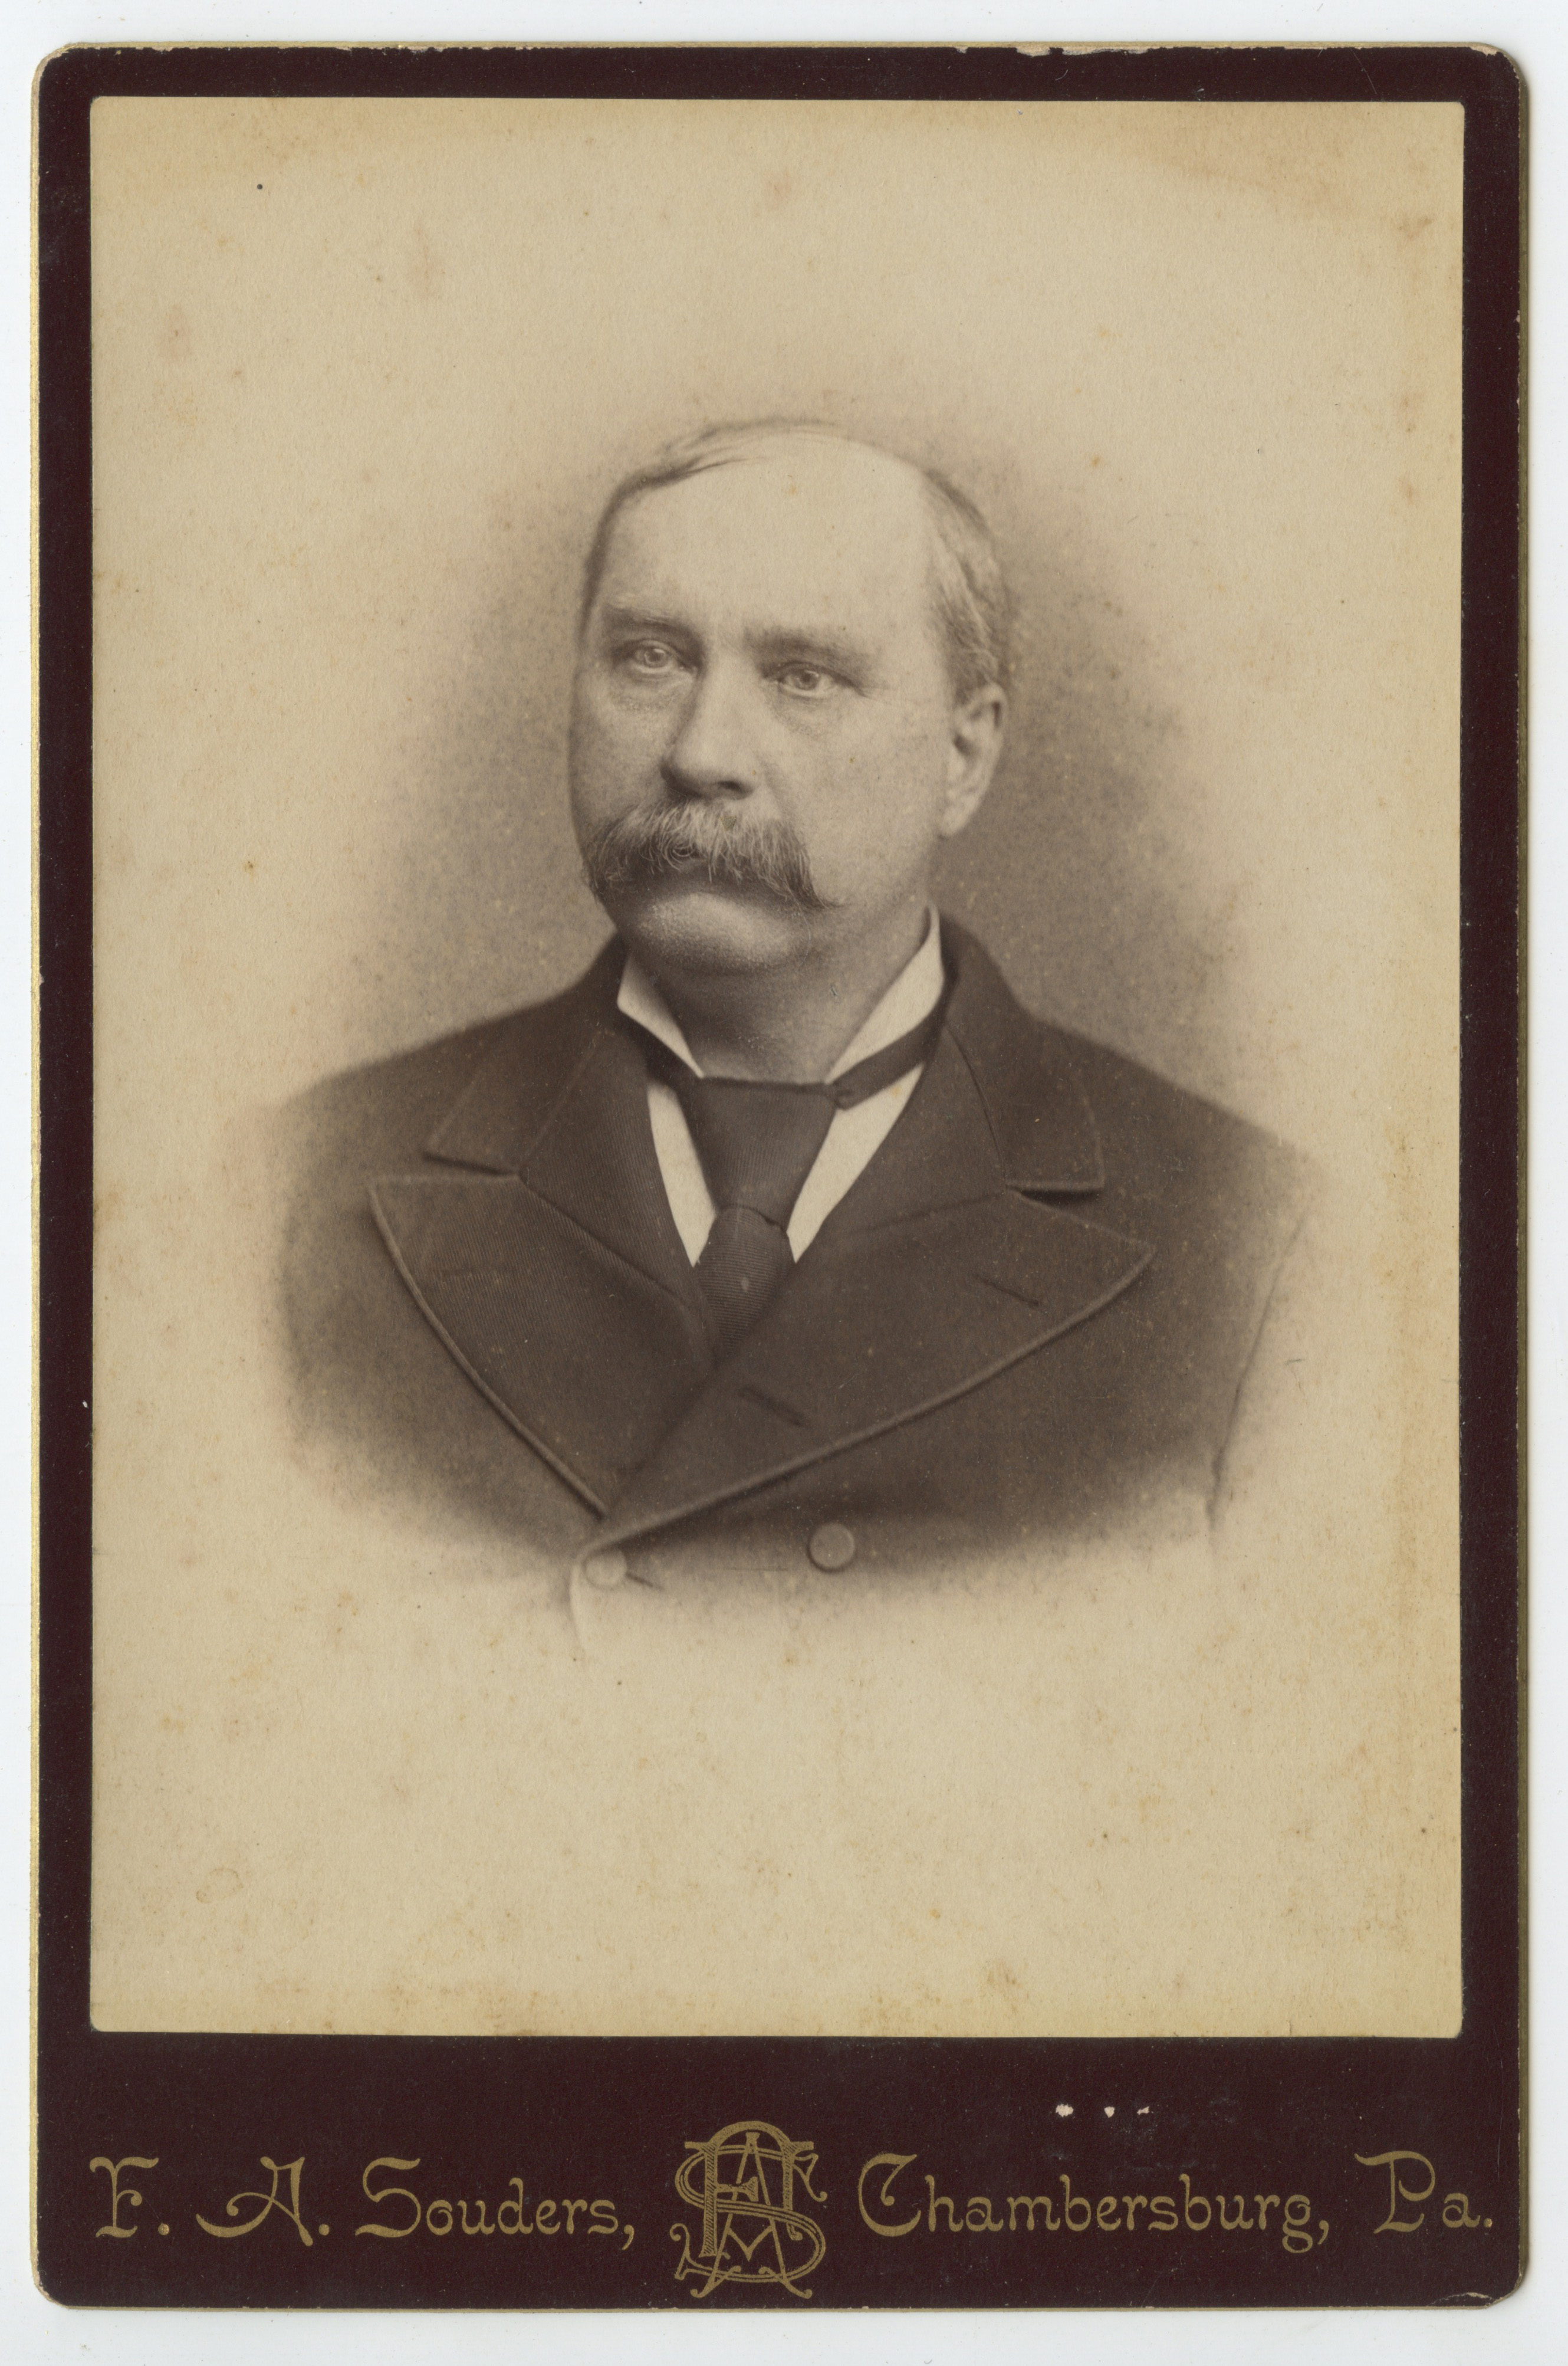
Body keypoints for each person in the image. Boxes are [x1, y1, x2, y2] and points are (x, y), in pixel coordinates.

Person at [279, 421, 1312, 1608]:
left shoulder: (1263, 1251)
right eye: (650, 658)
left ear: (964, 755)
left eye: (803, 676)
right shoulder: (286, 1196)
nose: (702, 752)